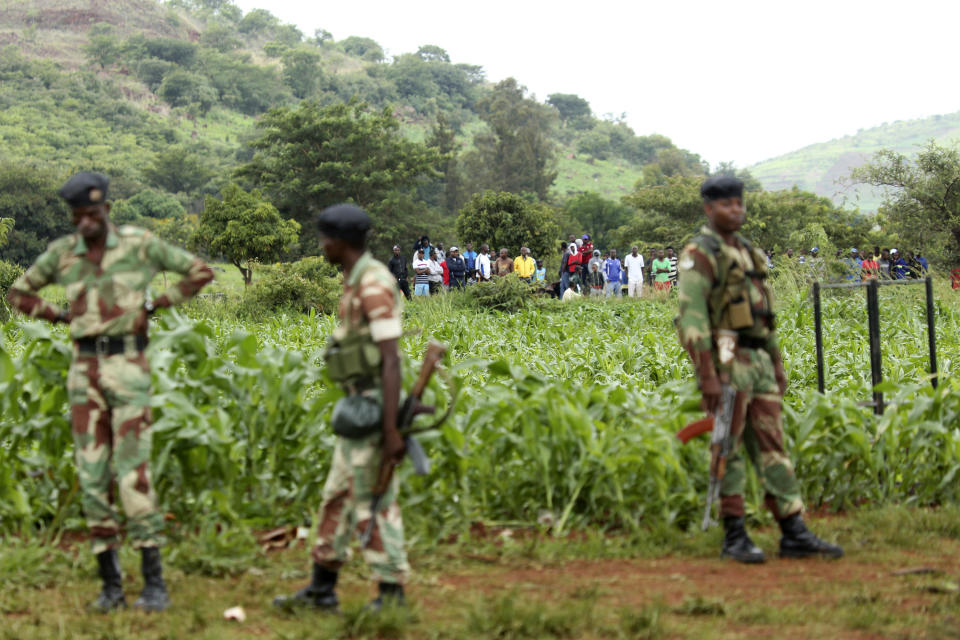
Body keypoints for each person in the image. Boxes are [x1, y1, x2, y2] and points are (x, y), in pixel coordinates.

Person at [7, 171, 215, 612]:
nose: (85, 222)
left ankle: (154, 584)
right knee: (91, 472)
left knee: (132, 472)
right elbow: (19, 292)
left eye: (93, 214)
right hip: (84, 369)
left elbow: (199, 271)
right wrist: (59, 316)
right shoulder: (63, 254)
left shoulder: (140, 244)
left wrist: (156, 304)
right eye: (78, 216)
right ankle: (110, 586)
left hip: (128, 367)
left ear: (107, 211)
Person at [677, 176, 842, 564]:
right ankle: (735, 533)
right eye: (725, 204)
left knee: (773, 442)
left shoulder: (749, 253)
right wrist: (708, 376)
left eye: (739, 203)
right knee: (728, 446)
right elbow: (693, 320)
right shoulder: (700, 253)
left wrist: (778, 362)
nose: (735, 210)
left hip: (759, 359)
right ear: (708, 208)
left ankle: (793, 530)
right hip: (727, 354)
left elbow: (763, 315)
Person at [274, 204, 410, 612]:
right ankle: (321, 589)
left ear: (339, 241)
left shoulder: (372, 284)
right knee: (337, 497)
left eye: (324, 238)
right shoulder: (355, 279)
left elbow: (390, 359)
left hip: (373, 407)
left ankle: (392, 594)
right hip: (359, 402)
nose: (321, 246)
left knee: (374, 501)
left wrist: (390, 430)